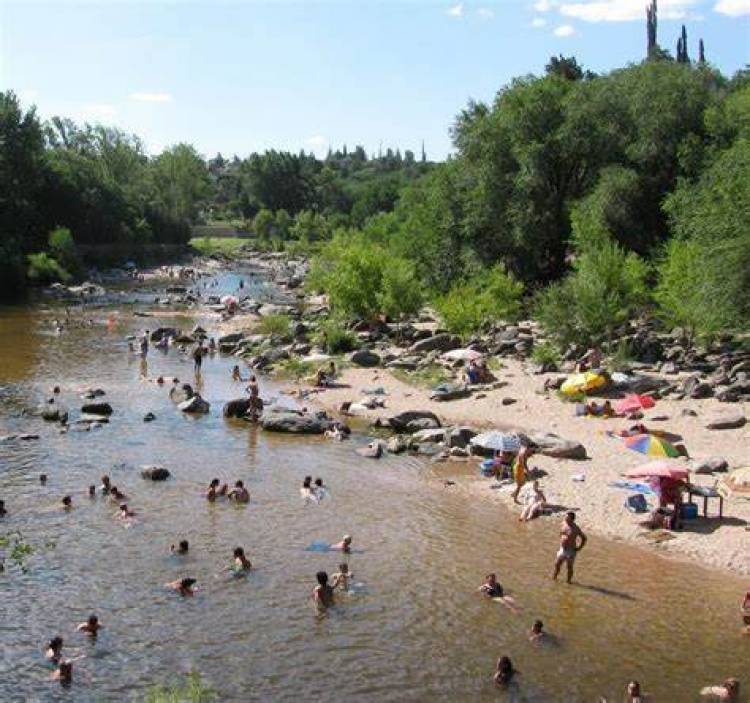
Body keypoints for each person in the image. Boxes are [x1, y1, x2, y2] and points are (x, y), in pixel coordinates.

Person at [553, 511, 587, 583]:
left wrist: (579, 548)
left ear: (571, 519)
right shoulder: (564, 523)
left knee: (569, 567)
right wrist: (562, 537)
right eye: (565, 516)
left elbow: (584, 538)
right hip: (562, 548)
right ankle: (554, 578)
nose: (565, 517)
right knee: (557, 564)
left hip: (570, 550)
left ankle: (568, 581)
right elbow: (561, 532)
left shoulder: (575, 528)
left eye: (567, 516)